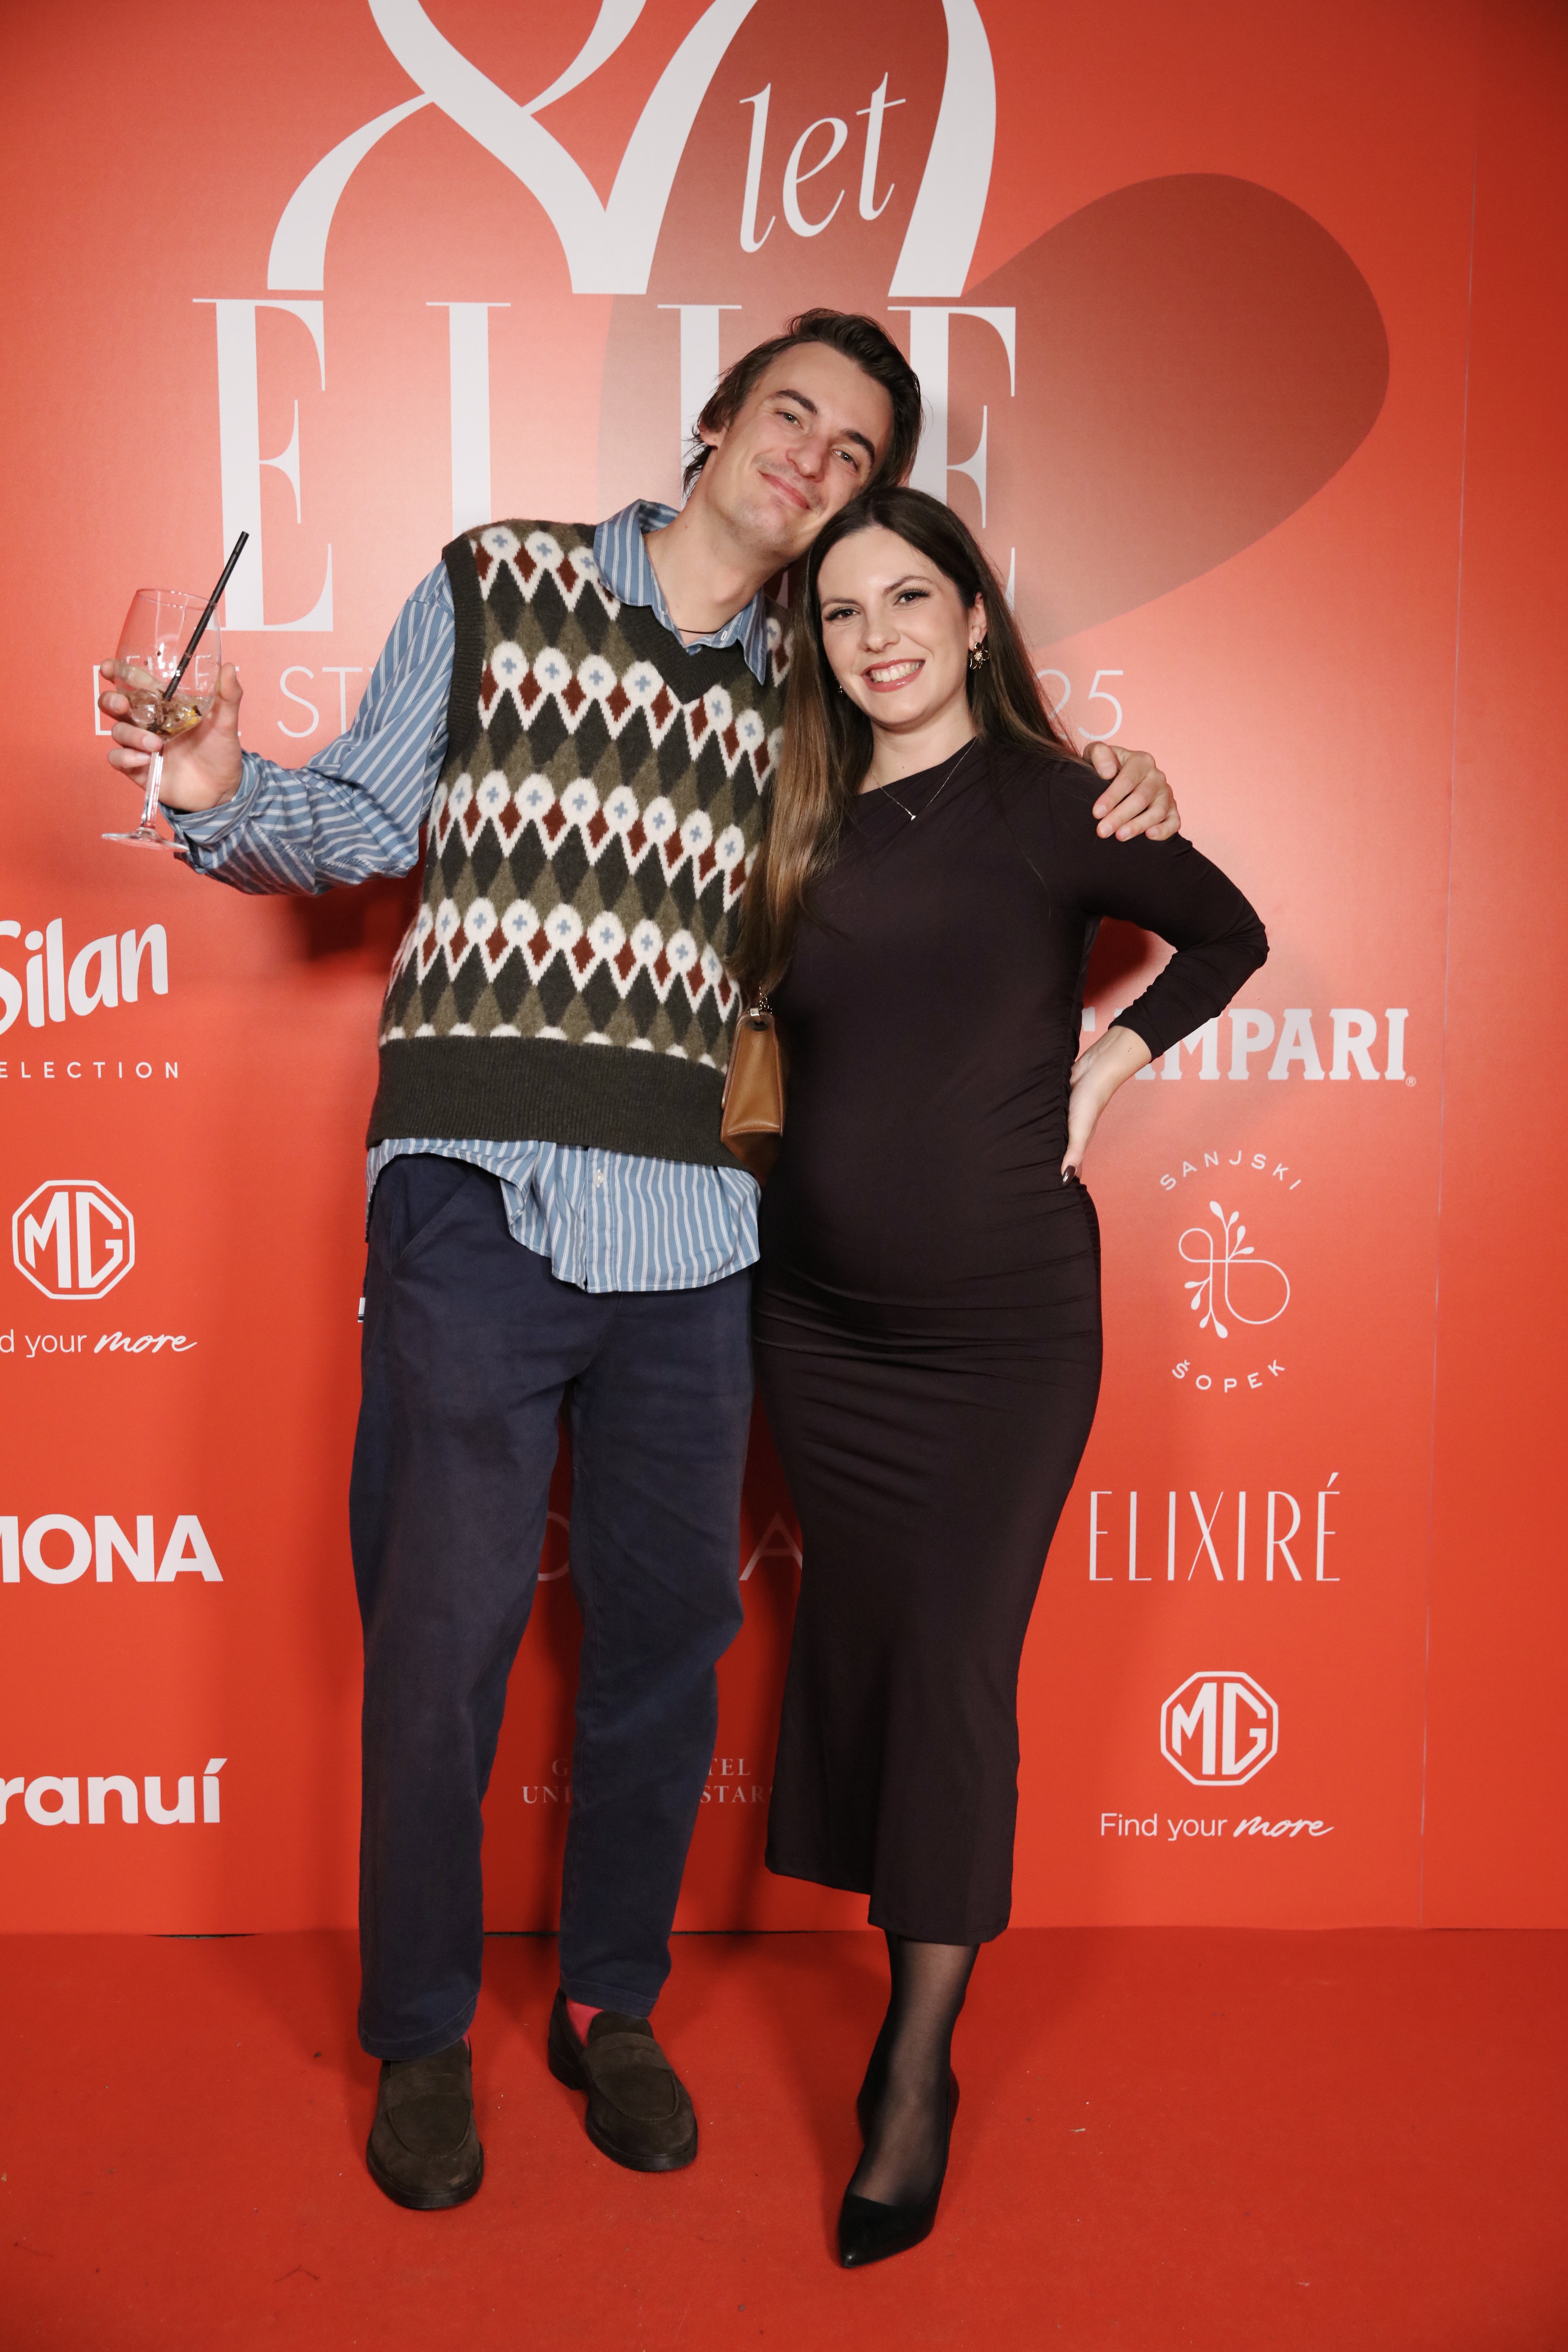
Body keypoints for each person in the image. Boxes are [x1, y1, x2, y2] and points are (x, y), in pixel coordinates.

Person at [99, 314, 1176, 2213]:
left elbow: (957, 812)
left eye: (858, 453)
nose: (814, 461)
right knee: (440, 1643)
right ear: (719, 420)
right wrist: (210, 786)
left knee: (668, 1642)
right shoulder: (500, 581)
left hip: (702, 1229)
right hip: (475, 1194)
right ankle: (422, 2030)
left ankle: (613, 2000)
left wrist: (1113, 787)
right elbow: (355, 820)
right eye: (793, 416)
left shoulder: (818, 695)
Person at [732, 485, 1267, 2268]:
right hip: (815, 1323)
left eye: (911, 598)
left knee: (955, 1671)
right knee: (871, 1648)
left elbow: (1229, 932)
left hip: (1000, 1335)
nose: (876, 636)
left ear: (975, 617)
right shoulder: (789, 810)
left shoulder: (1058, 802)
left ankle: (915, 2070)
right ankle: (906, 2004)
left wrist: (1114, 1059)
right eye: (841, 612)